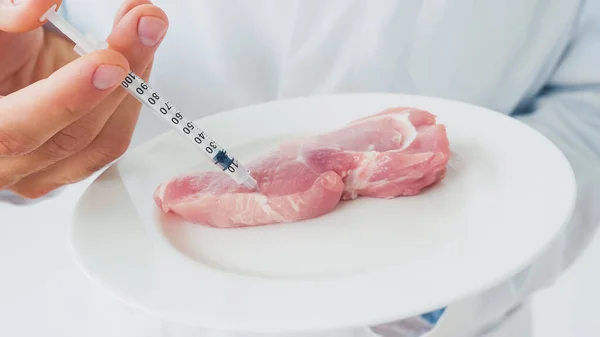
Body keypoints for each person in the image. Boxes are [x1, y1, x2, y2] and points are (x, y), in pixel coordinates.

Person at [0, 0, 598, 336]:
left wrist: (431, 294)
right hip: (132, 305)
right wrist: (30, 120)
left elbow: (589, 102)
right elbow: (31, 36)